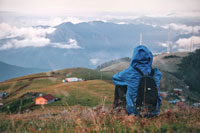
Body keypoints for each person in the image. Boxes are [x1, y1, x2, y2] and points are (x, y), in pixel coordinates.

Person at [112, 45, 162, 116]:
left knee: (119, 85)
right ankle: (151, 109)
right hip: (154, 111)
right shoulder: (156, 73)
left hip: (134, 111)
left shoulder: (131, 72)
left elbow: (115, 78)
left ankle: (117, 109)